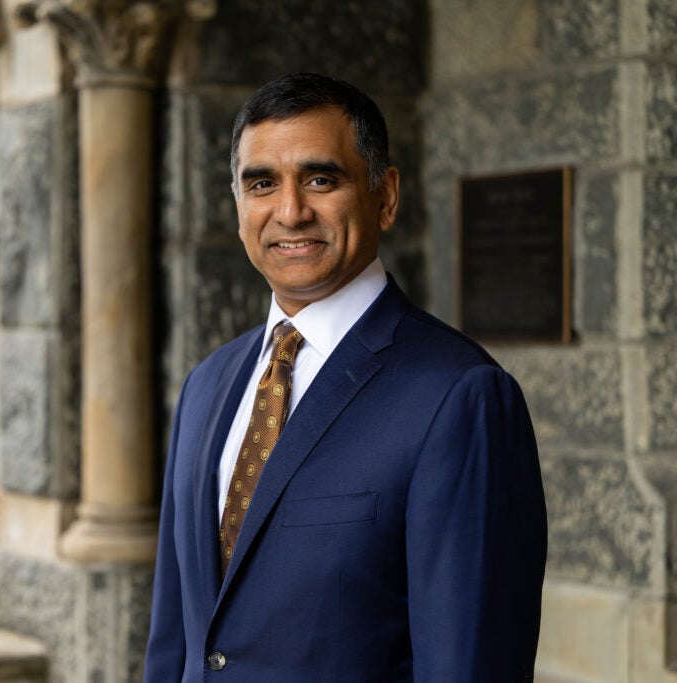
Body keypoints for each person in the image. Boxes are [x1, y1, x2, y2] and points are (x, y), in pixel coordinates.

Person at [144, 73, 547, 682]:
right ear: (238, 207)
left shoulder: (461, 397)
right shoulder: (206, 385)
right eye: (262, 184)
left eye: (320, 179)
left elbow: (471, 664)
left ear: (385, 196)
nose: (290, 211)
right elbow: (176, 643)